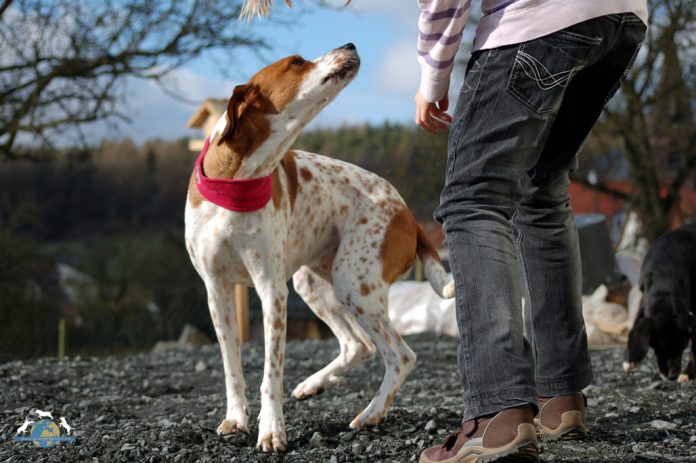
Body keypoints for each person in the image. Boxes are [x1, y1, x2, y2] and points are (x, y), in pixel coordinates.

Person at [414, 1, 648, 462]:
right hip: (620, 17)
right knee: (541, 187)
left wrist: (432, 77)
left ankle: (498, 411)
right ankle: (561, 397)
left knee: (474, 197)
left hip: (538, 17)